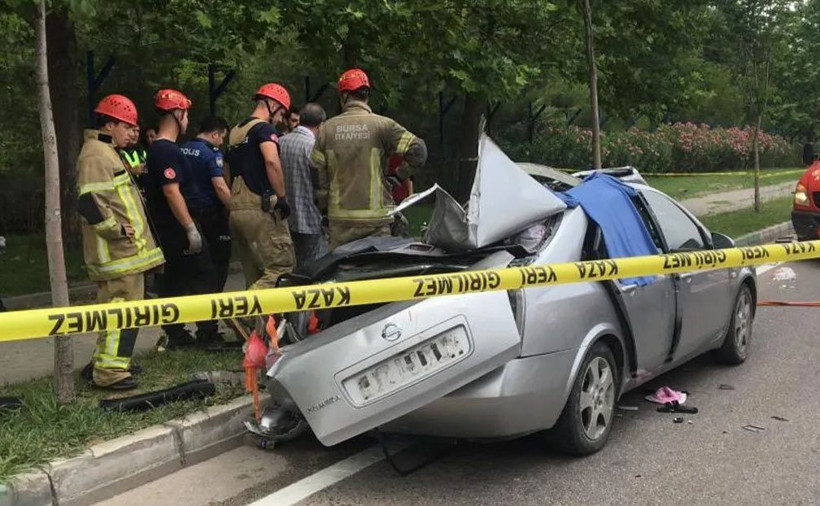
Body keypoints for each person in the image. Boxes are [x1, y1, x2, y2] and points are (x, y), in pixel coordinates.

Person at [77, 94, 165, 390]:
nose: (134, 133)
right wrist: (116, 230)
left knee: (115, 312)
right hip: (117, 254)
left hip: (123, 254)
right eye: (127, 126)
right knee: (124, 312)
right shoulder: (97, 154)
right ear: (110, 123)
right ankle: (111, 373)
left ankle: (105, 363)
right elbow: (90, 202)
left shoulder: (106, 151)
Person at [310, 68, 427, 249]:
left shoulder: (326, 130)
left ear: (345, 96)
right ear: (366, 96)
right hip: (377, 221)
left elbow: (317, 173)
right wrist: (397, 178)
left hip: (340, 223)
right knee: (376, 271)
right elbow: (418, 151)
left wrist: (325, 208)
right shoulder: (383, 125)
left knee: (341, 272)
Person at [144, 89, 221, 348]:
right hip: (177, 227)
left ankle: (177, 334)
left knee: (174, 281)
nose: (187, 120)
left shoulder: (163, 149)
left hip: (171, 228)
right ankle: (206, 333)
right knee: (204, 278)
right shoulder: (166, 151)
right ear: (178, 113)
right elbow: (171, 190)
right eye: (186, 113)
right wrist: (190, 228)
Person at [224, 83, 295, 290]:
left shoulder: (235, 131)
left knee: (254, 274)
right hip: (261, 207)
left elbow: (226, 169)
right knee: (281, 268)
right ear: (272, 104)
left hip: (237, 208)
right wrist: (281, 197)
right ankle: (242, 312)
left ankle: (252, 322)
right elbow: (271, 161)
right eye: (281, 112)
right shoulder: (264, 129)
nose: (281, 119)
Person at [181, 116, 232, 292]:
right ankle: (214, 303)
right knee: (218, 261)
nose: (221, 142)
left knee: (195, 262)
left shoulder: (183, 148)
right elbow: (219, 186)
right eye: (222, 137)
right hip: (211, 215)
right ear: (215, 134)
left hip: (186, 213)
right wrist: (235, 209)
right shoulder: (212, 153)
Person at [279, 103, 328, 271]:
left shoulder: (280, 142)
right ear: (321, 124)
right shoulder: (314, 147)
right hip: (311, 219)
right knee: (311, 270)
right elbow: (321, 182)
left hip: (285, 218)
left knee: (290, 267)